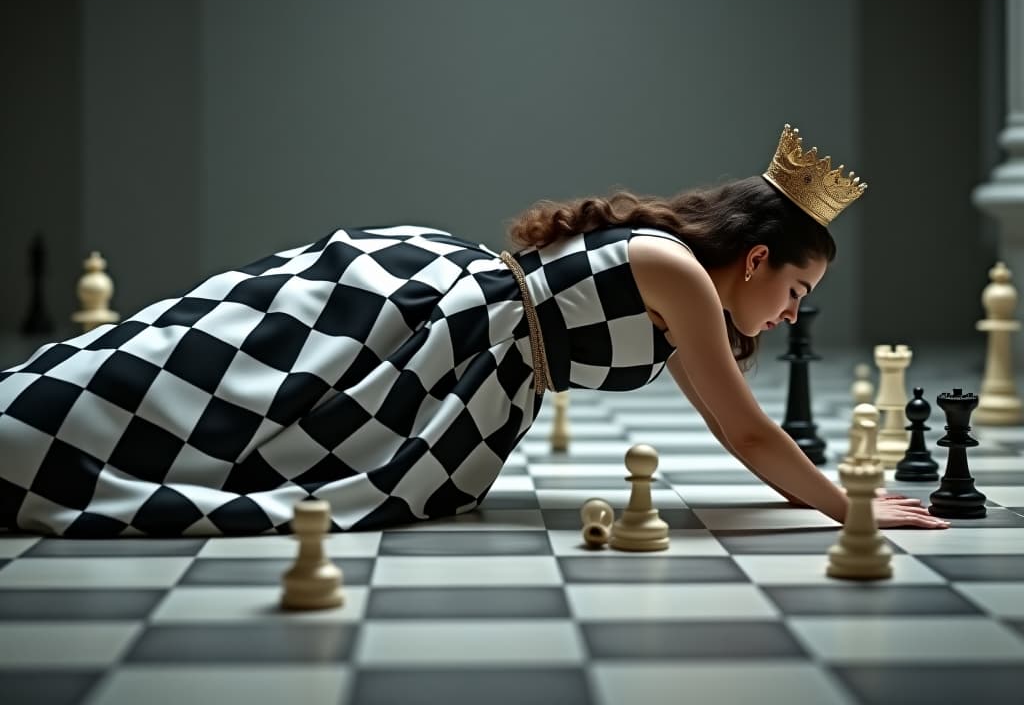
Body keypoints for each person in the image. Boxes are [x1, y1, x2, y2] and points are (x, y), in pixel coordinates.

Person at [0, 124, 949, 536]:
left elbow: (730, 423)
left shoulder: (682, 284)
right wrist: (845, 503)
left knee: (244, 431)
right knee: (216, 383)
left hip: (458, 370)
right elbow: (745, 429)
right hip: (424, 327)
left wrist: (826, 497)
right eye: (796, 289)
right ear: (754, 260)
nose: (793, 315)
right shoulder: (674, 273)